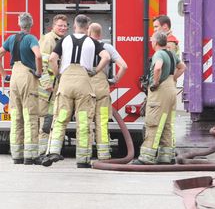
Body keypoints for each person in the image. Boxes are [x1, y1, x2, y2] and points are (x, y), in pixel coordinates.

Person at [40, 14, 110, 168]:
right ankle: (83, 159)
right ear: (87, 27)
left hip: (66, 81)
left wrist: (58, 73)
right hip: (84, 81)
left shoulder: (65, 40)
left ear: (74, 26)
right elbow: (106, 57)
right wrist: (95, 70)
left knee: (60, 117)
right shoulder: (92, 41)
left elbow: (52, 58)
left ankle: (53, 151)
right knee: (84, 120)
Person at [0, 13, 43, 164]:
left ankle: (17, 155)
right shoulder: (31, 39)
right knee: (30, 116)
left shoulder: (11, 39)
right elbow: (38, 56)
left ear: (19, 24)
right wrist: (39, 72)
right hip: (27, 76)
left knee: (16, 117)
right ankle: (31, 155)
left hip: (14, 76)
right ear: (31, 24)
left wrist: (4, 75)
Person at [133, 31, 186, 165]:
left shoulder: (159, 54)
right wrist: (173, 78)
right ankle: (166, 157)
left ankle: (146, 157)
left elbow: (157, 68)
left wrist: (155, 83)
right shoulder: (172, 54)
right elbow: (183, 67)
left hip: (160, 91)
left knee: (153, 122)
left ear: (156, 42)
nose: (151, 43)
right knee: (167, 124)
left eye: (152, 41)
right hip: (171, 89)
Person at [87, 23, 127, 161]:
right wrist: (114, 80)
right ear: (101, 34)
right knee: (102, 120)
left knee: (85, 121)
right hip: (102, 87)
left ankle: (84, 154)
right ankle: (103, 154)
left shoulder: (84, 45)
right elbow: (124, 66)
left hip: (86, 87)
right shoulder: (107, 47)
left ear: (89, 32)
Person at [37, 14, 68, 141]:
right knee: (44, 119)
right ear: (52, 26)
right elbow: (41, 63)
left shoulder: (62, 40)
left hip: (54, 86)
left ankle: (46, 149)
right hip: (46, 89)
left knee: (50, 119)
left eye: (65, 26)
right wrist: (46, 83)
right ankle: (42, 150)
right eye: (60, 25)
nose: (63, 28)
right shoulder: (48, 40)